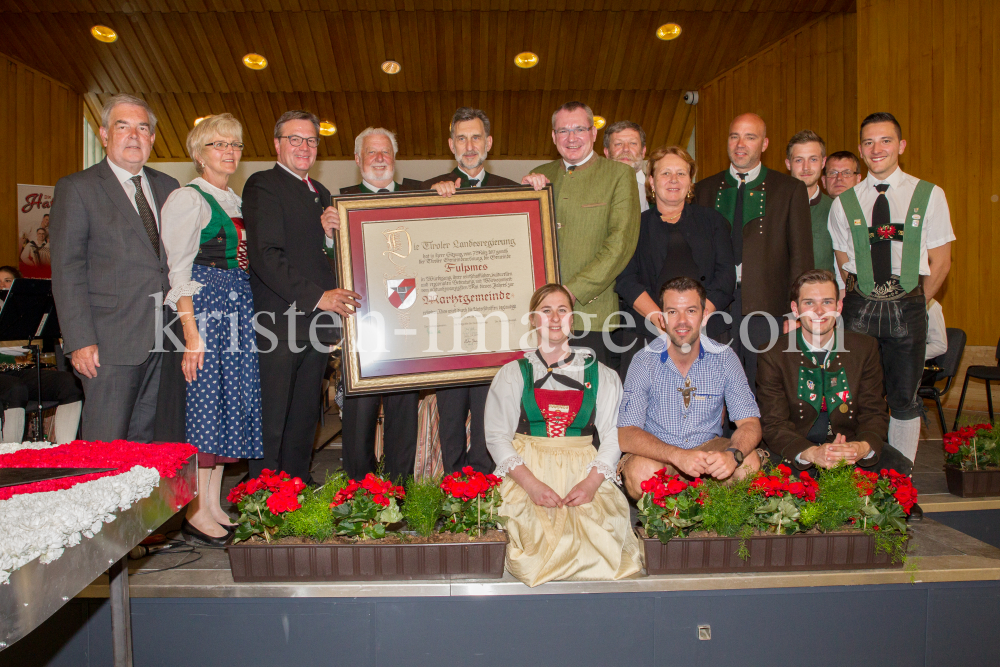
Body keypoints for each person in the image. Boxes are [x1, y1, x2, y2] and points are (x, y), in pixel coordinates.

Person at [485, 283, 642, 587]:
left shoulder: (603, 375)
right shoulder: (514, 373)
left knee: (597, 548)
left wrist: (592, 482)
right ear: (533, 319)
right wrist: (531, 485)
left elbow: (613, 435)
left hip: (583, 469)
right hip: (527, 468)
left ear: (573, 319)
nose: (554, 318)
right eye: (546, 310)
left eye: (562, 310)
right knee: (532, 546)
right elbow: (496, 436)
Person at [828, 112, 955, 471]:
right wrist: (870, 297)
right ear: (860, 149)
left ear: (900, 145)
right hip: (858, 310)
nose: (876, 148)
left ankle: (902, 480)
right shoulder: (844, 202)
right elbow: (843, 261)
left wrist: (914, 303)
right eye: (868, 142)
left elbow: (942, 262)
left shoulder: (929, 195)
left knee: (904, 399)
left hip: (911, 306)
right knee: (852, 397)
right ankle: (857, 474)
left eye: (885, 140)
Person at [50, 94, 179, 442]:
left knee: (152, 449)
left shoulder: (170, 188)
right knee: (105, 449)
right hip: (108, 343)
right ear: (104, 134)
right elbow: (67, 269)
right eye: (123, 127)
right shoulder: (77, 188)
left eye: (143, 128)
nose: (134, 135)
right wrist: (79, 339)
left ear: (152, 138)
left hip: (165, 339)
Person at [160, 113, 262, 545]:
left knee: (226, 405)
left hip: (238, 307)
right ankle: (195, 510)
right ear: (199, 154)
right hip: (206, 309)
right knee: (205, 406)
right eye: (218, 144)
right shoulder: (189, 199)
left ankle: (214, 502)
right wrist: (191, 334)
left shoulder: (234, 200)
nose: (229, 152)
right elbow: (178, 270)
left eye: (235, 145)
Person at [243, 110, 358, 484]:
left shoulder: (320, 193)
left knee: (305, 414)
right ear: (277, 144)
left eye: (311, 140)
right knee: (273, 416)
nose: (304, 147)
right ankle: (263, 495)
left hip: (315, 326)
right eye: (295, 139)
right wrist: (318, 297)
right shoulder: (263, 185)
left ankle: (295, 484)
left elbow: (316, 255)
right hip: (279, 322)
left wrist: (328, 238)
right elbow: (266, 256)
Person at [420, 108, 518, 474]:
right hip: (446, 330)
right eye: (461, 138)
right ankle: (452, 488)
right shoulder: (428, 190)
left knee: (488, 415)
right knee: (449, 416)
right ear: (451, 145)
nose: (469, 145)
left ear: (489, 143)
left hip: (495, 328)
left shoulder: (513, 193)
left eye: (476, 137)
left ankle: (482, 492)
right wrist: (430, 201)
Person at [692, 113, 813, 392]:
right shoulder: (705, 190)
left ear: (765, 143)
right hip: (715, 308)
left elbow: (801, 259)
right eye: (734, 136)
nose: (740, 144)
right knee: (714, 387)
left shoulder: (789, 190)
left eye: (750, 136)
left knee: (765, 389)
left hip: (768, 309)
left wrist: (796, 314)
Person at [617, 277, 762, 500]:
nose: (682, 321)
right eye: (673, 312)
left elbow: (750, 423)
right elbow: (626, 435)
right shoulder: (643, 361)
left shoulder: (724, 358)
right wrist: (676, 455)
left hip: (709, 450)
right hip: (661, 454)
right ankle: (667, 521)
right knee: (640, 472)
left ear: (704, 316)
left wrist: (732, 455)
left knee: (748, 462)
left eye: (691, 311)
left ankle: (716, 518)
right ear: (662, 319)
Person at [756, 269, 912, 474]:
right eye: (809, 303)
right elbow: (773, 422)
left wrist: (862, 447)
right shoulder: (773, 354)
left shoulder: (864, 348)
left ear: (839, 307)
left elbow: (874, 411)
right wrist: (811, 453)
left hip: (851, 448)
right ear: (795, 309)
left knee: (899, 474)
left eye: (827, 302)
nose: (819, 311)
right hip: (796, 449)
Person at [522, 101, 641, 366]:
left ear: (594, 133)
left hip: (593, 315)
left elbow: (621, 244)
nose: (572, 138)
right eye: (563, 131)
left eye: (579, 129)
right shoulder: (540, 175)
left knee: (589, 402)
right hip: (542, 319)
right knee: (543, 399)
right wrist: (519, 197)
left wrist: (573, 290)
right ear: (553, 136)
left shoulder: (619, 175)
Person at [334, 127, 421, 481]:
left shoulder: (418, 195)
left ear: (395, 158)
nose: (380, 159)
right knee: (360, 410)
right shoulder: (341, 202)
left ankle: (400, 487)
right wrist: (328, 237)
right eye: (372, 153)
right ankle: (358, 489)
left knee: (404, 407)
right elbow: (330, 264)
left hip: (407, 318)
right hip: (362, 321)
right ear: (358, 160)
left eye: (386, 152)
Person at [614, 146, 734, 378]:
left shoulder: (713, 221)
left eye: (681, 173)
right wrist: (663, 321)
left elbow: (726, 276)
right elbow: (626, 279)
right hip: (647, 332)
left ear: (690, 181)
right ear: (651, 180)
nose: (673, 180)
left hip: (707, 330)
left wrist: (695, 319)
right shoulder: (633, 225)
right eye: (665, 173)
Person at [786, 130, 836, 274]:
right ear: (788, 163)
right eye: (799, 160)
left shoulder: (835, 208)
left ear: (823, 162)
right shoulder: (773, 208)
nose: (806, 167)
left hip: (825, 293)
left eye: (813, 159)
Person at [603, 120, 649, 212]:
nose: (626, 149)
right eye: (618, 144)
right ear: (607, 153)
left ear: (643, 152)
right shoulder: (592, 186)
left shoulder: (655, 190)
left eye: (633, 143)